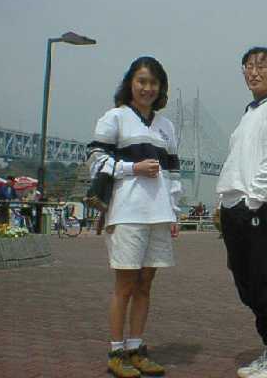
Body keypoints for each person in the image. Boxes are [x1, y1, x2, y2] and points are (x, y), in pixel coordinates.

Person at [87, 56, 181, 378]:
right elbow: (95, 160)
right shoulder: (115, 118)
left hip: (158, 215)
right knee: (125, 284)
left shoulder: (167, 127)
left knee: (145, 284)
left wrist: (174, 212)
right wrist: (132, 168)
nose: (147, 88)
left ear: (161, 87)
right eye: (142, 81)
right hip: (127, 213)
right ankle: (116, 352)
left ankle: (136, 348)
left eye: (154, 82)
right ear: (130, 83)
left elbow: (173, 174)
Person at [216, 47, 267, 378]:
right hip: (236, 208)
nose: (254, 72)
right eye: (248, 66)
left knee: (265, 282)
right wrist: (227, 203)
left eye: (262, 66)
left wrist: (253, 200)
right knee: (247, 285)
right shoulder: (249, 112)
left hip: (258, 208)